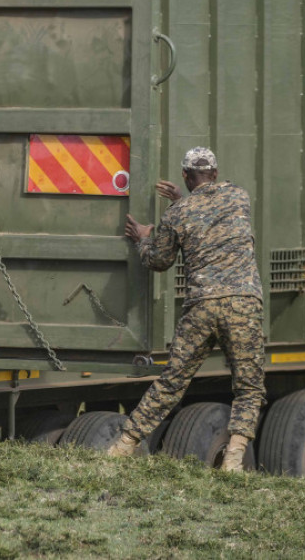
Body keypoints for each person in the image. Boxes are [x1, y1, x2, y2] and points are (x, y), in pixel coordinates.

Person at [106, 147, 265, 472]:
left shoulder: (178, 214)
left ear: (185, 176)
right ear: (216, 173)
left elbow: (158, 261)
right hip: (243, 303)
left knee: (172, 381)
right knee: (248, 386)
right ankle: (233, 460)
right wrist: (182, 204)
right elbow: (211, 214)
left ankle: (123, 447)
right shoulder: (239, 196)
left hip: (202, 306)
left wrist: (143, 238)